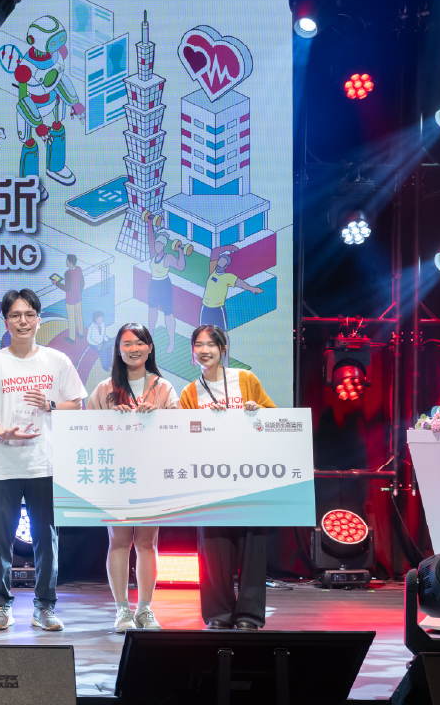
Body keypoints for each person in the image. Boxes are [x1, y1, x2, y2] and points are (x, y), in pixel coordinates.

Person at [0, 289, 86, 631]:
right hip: (3, 464)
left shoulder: (56, 361)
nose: (23, 321)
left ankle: (44, 606)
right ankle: (1, 606)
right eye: (16, 315)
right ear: (6, 321)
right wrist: (1, 432)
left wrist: (49, 405)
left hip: (44, 463)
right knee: (0, 540)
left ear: (38, 319)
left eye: (29, 314)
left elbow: (76, 403)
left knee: (46, 538)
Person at [178, 324, 275, 630]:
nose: (204, 350)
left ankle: (249, 615)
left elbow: (275, 418)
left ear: (223, 349)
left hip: (249, 473)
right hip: (210, 477)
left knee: (252, 544)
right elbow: (182, 435)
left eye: (211, 344)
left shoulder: (245, 379)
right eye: (199, 345)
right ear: (193, 351)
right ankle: (218, 614)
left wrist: (256, 411)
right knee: (213, 548)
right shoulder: (189, 392)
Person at [87, 323, 178, 632]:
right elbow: (87, 432)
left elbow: (180, 430)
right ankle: (122, 610)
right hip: (116, 475)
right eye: (126, 344)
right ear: (118, 349)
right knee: (119, 541)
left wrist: (159, 417)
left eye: (139, 343)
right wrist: (111, 421)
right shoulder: (104, 389)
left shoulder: (164, 388)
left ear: (149, 348)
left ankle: (145, 610)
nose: (133, 349)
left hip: (152, 474)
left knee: (147, 542)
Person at [200, 246, 263, 331]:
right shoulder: (212, 271)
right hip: (206, 308)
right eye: (218, 265)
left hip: (217, 309)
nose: (218, 267)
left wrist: (251, 288)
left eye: (221, 267)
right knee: (202, 332)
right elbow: (215, 252)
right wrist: (229, 247)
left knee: (222, 332)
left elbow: (239, 283)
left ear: (225, 267)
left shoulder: (228, 277)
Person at [146, 226, 185, 353]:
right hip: (153, 285)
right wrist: (150, 222)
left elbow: (180, 267)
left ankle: (172, 342)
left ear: (163, 246)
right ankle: (150, 336)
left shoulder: (168, 258)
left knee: (168, 314)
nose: (157, 246)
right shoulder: (153, 254)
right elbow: (150, 237)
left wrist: (181, 251)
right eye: (156, 244)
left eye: (159, 244)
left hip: (164, 286)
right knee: (152, 311)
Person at [55, 253, 85, 341]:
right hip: (78, 297)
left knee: (71, 319)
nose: (66, 262)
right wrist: (78, 291)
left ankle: (72, 338)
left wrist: (56, 283)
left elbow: (67, 288)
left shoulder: (67, 273)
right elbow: (82, 283)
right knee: (79, 316)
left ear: (70, 262)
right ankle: (81, 333)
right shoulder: (79, 269)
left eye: (67, 261)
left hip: (70, 299)